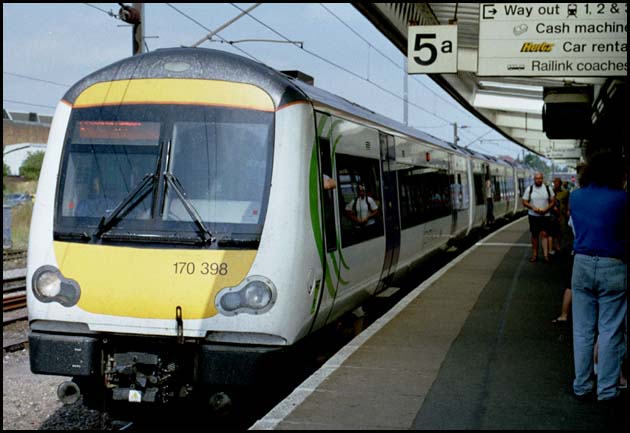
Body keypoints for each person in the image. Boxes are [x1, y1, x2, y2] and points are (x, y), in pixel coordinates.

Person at [569, 152, 628, 403]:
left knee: (582, 330)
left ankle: (582, 385)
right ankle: (607, 390)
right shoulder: (623, 199)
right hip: (614, 266)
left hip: (581, 264)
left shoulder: (576, 196)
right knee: (610, 330)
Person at [522, 172, 555, 263]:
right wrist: (533, 208)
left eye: (540, 178)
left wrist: (546, 210)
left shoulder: (548, 189)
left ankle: (546, 255)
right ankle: (535, 255)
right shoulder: (530, 189)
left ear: (542, 179)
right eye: (536, 178)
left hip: (545, 215)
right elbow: (524, 201)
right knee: (534, 235)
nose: (538, 180)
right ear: (534, 179)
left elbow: (552, 201)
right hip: (533, 215)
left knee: (545, 234)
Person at [549, 177, 570, 255]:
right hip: (552, 215)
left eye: (557, 184)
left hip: (562, 214)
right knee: (552, 231)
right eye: (555, 183)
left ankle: (558, 245)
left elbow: (568, 203)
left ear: (560, 184)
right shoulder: (550, 192)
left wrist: (568, 211)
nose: (556, 185)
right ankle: (553, 245)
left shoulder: (565, 192)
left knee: (560, 231)